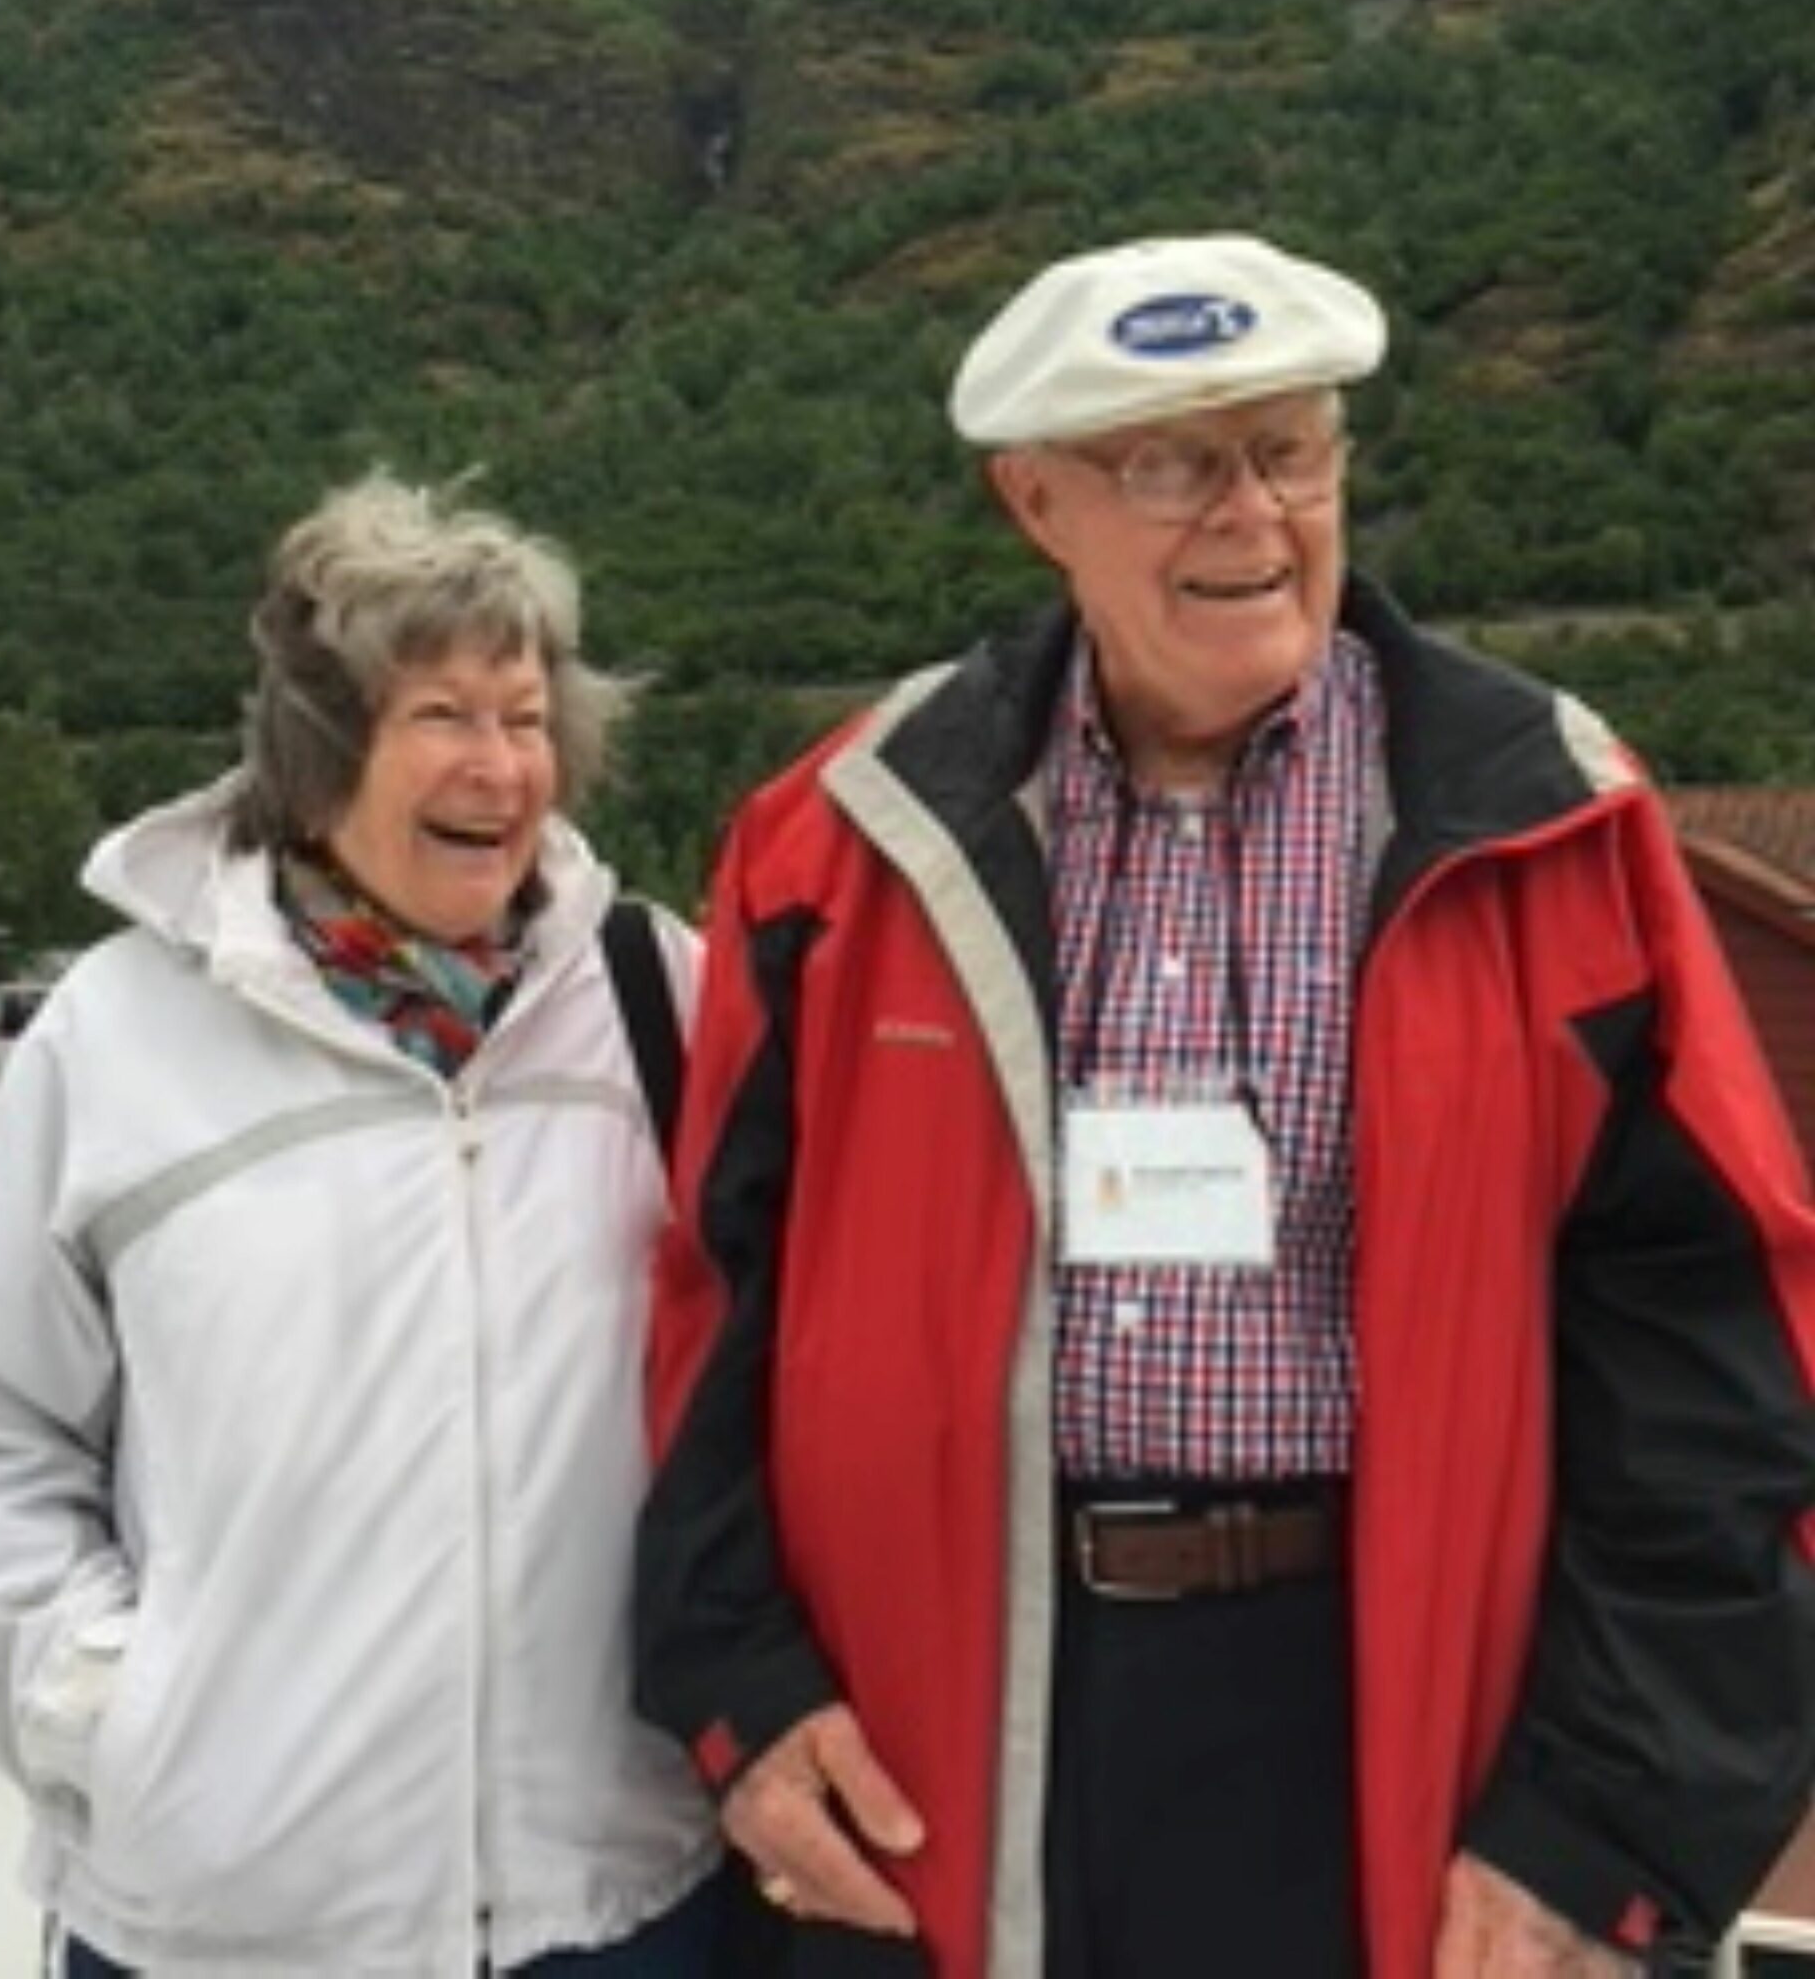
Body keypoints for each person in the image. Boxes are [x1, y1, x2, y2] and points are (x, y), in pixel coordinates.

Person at [633, 234, 1815, 1979]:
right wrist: (741, 1686)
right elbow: (711, 1309)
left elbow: (1711, 1373)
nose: (1251, 515)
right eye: (1171, 464)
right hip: (942, 1728)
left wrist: (1606, 1828)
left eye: (1289, 451)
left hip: (1394, 1711)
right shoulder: (842, 841)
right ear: (1036, 502)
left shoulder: (1553, 828)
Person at [0, 473, 719, 1977]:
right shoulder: (120, 1033)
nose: (500, 768)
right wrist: (109, 1716)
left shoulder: (656, 996)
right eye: (443, 717)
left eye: (527, 719)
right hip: (228, 1920)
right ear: (322, 747)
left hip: (614, 1905)